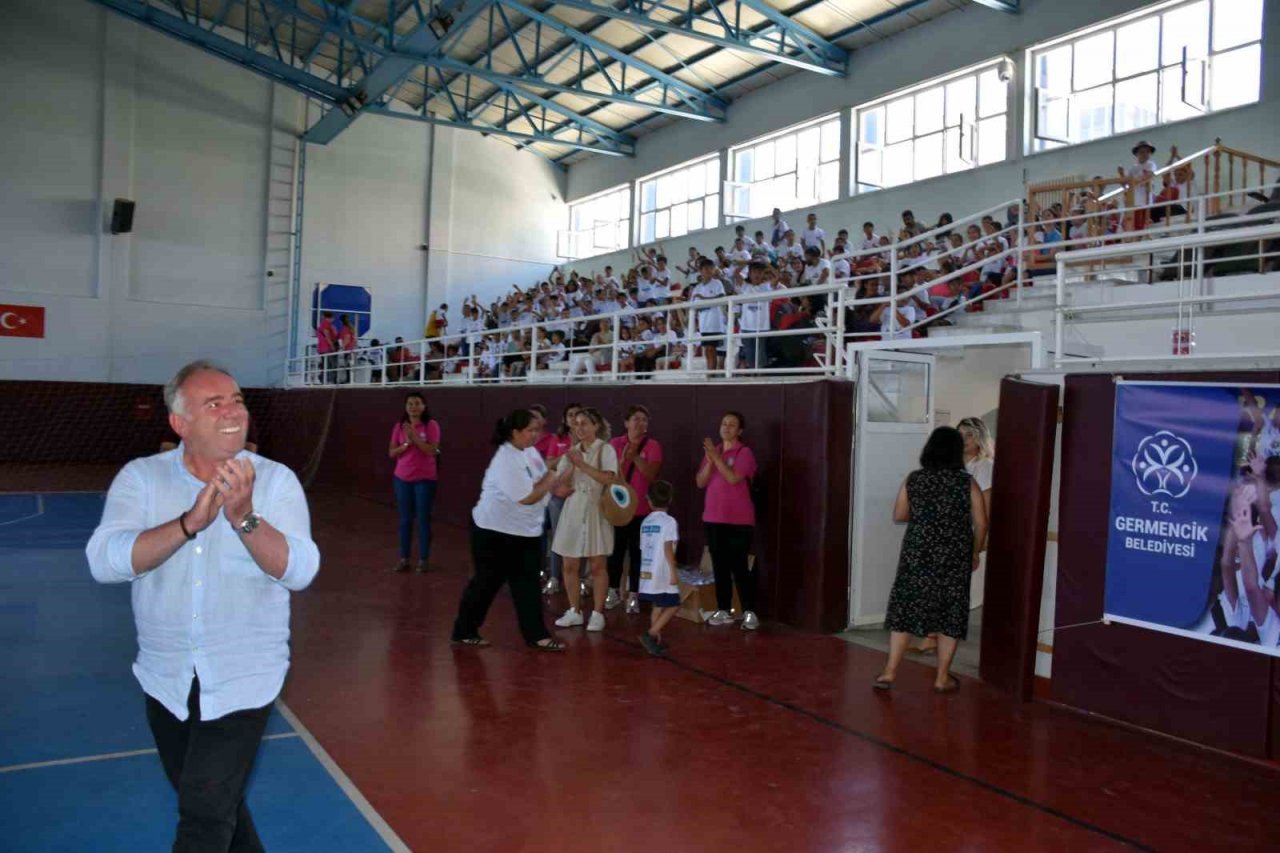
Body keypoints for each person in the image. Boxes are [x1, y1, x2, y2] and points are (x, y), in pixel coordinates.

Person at [86, 360, 320, 850]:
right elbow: (105, 562)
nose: (233, 412)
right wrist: (189, 522)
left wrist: (244, 517)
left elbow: (300, 570)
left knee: (204, 817)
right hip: (165, 677)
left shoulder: (276, 483)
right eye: (214, 404)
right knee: (215, 806)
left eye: (237, 400)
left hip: (243, 678)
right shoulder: (142, 479)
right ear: (180, 424)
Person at [874, 427, 989, 693]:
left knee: (906, 607)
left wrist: (926, 517)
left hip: (917, 553)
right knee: (950, 612)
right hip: (954, 556)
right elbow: (982, 523)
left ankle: (889, 672)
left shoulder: (915, 479)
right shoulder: (966, 482)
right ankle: (941, 678)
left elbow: (900, 514)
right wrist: (975, 551)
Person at [451, 409, 566, 651]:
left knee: (528, 585)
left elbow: (542, 476)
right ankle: (464, 630)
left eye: (538, 430)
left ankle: (536, 635)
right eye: (530, 430)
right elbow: (528, 496)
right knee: (486, 583)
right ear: (515, 432)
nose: (536, 435)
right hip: (494, 532)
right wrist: (552, 477)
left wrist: (559, 470)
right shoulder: (505, 458)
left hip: (525, 532)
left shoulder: (530, 452)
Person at [552, 407, 619, 632]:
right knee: (569, 563)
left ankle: (598, 613)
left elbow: (609, 478)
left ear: (596, 426)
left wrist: (582, 465)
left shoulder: (605, 450)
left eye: (584, 423)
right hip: (573, 510)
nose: (579, 427)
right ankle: (575, 610)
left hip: (596, 509)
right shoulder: (570, 452)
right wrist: (571, 466)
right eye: (576, 423)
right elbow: (560, 487)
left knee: (597, 564)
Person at [696, 411, 759, 630]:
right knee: (719, 566)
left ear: (740, 430)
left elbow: (733, 478)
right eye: (724, 423)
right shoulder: (714, 452)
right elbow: (701, 482)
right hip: (713, 518)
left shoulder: (744, 452)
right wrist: (711, 459)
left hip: (739, 520)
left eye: (732, 425)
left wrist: (716, 457)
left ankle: (750, 612)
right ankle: (723, 609)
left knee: (739, 566)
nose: (726, 427)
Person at [607, 405, 663, 613]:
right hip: (620, 508)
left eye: (644, 420)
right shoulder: (615, 443)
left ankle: (634, 595)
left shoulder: (653, 445)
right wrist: (623, 460)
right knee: (616, 552)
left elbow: (651, 475)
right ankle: (612, 590)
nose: (640, 424)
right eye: (636, 419)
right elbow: (611, 476)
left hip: (642, 510)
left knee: (639, 553)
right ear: (626, 423)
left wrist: (636, 458)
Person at [388, 392, 441, 573]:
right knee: (405, 520)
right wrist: (406, 444)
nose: (413, 407)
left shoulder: (431, 425)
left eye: (417, 403)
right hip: (402, 479)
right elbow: (392, 453)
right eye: (410, 403)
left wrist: (415, 438)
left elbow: (431, 450)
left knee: (423, 520)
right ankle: (404, 558)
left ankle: (423, 559)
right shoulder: (399, 426)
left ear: (424, 406)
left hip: (425, 479)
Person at [537, 402, 580, 595]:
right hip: (558, 496)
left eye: (577, 415)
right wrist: (565, 455)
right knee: (557, 535)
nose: (573, 418)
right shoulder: (558, 439)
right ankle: (554, 577)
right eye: (570, 414)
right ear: (565, 418)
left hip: (579, 495)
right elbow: (549, 464)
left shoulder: (587, 440)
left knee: (579, 537)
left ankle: (578, 580)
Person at [636, 480, 680, 657]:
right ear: (670, 499)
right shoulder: (669, 522)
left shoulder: (645, 522)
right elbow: (667, 548)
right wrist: (673, 571)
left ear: (649, 500)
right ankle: (651, 634)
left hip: (648, 571)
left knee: (658, 605)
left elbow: (643, 547)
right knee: (673, 605)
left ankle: (655, 640)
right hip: (663, 572)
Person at [315, 310, 337, 383]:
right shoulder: (326, 324)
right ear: (330, 317)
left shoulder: (322, 324)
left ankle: (323, 379)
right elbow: (327, 336)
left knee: (325, 364)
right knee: (330, 365)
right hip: (327, 348)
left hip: (322, 347)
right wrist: (332, 346)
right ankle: (328, 380)